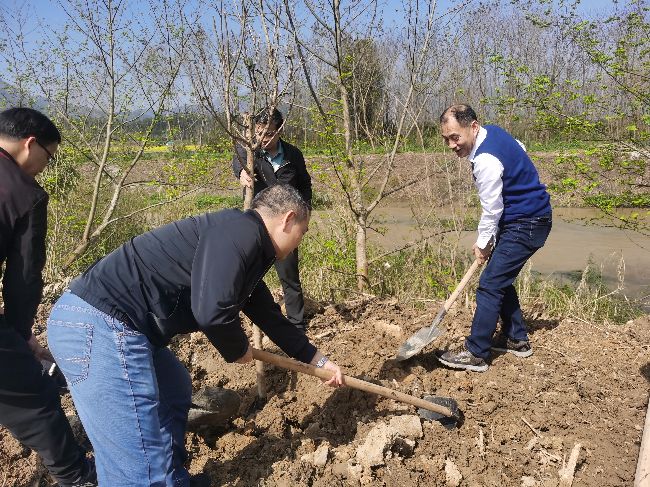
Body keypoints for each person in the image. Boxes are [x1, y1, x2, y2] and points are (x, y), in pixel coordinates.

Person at [46, 184, 344, 487]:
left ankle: (173, 479)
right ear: (287, 218)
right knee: (139, 464)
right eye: (302, 232)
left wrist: (318, 361)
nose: (299, 243)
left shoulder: (244, 242)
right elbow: (212, 313)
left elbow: (268, 314)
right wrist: (238, 347)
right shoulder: (240, 235)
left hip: (115, 324)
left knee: (173, 389)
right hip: (100, 323)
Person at [0, 107, 97, 487]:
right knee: (35, 396)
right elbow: (23, 278)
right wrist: (21, 333)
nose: (46, 166)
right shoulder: (23, 193)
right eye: (49, 156)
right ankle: (78, 476)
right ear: (29, 144)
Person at [435, 104, 553, 373]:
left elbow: (492, 209)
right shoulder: (495, 133)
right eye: (447, 139)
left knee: (489, 284)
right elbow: (519, 148)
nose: (452, 144)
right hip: (530, 219)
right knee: (500, 278)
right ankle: (516, 340)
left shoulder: (485, 160)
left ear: (473, 127)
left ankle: (476, 353)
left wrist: (483, 243)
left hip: (525, 224)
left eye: (456, 137)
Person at [233, 108, 312, 333]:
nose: (263, 139)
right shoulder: (251, 152)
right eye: (258, 133)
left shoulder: (292, 155)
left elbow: (305, 184)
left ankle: (296, 325)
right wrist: (241, 172)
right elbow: (238, 159)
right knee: (249, 275)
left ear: (279, 130)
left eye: (268, 134)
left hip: (287, 226)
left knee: (289, 277)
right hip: (258, 224)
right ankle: (245, 320)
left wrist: (305, 211)